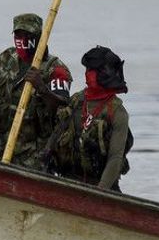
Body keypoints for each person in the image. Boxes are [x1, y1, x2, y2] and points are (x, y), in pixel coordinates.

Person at [0, 13, 71, 169]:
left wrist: (41, 88)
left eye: (28, 35)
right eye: (18, 34)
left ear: (40, 37)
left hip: (31, 146)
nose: (22, 39)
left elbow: (62, 107)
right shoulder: (7, 57)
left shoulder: (56, 70)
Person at [48, 46, 132, 191]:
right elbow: (57, 134)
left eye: (92, 70)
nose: (88, 74)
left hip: (102, 186)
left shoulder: (117, 113)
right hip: (70, 181)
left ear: (105, 73)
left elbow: (115, 158)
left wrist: (99, 193)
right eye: (87, 69)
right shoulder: (77, 101)